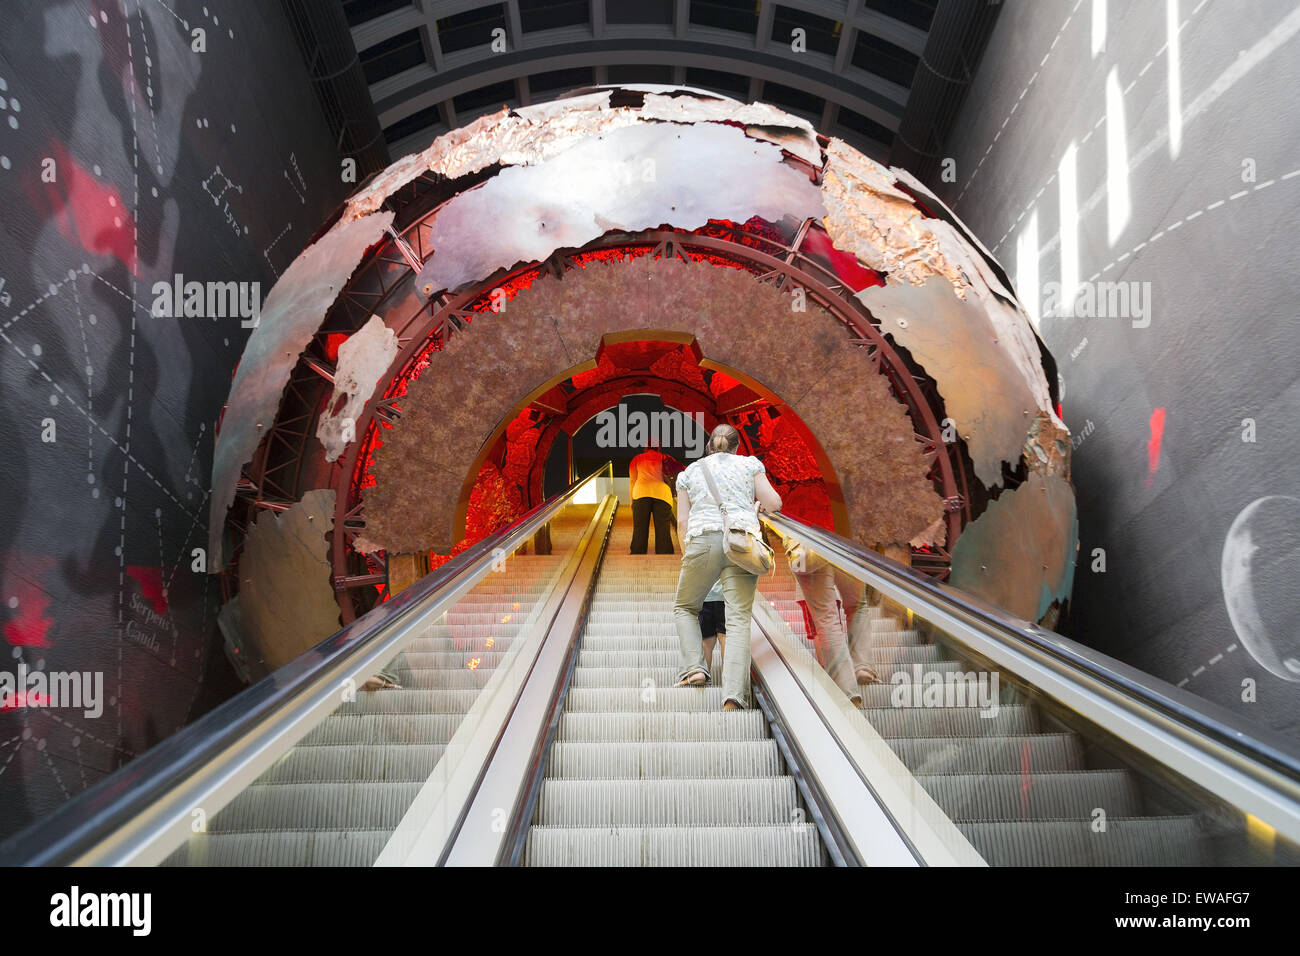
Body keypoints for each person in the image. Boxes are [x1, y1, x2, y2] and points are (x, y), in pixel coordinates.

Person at [672, 424, 782, 710]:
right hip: (741, 542)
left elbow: (682, 521)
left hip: (702, 541)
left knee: (685, 607)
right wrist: (754, 507)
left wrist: (689, 555)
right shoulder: (749, 465)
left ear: (710, 446)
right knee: (738, 620)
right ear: (736, 446)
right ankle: (734, 696)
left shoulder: (690, 473)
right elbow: (774, 503)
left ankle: (695, 668)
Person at [785, 538, 881, 708]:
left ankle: (847, 692)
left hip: (808, 545)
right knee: (857, 606)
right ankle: (862, 666)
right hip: (846, 542)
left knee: (826, 618)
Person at [628, 442, 681, 554]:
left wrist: (631, 501)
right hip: (662, 494)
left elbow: (633, 480)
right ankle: (664, 552)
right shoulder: (665, 458)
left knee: (640, 526)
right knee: (663, 527)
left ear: (646, 446)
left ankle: (638, 551)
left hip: (641, 493)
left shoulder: (637, 459)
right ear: (658, 447)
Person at [699, 577, 727, 675]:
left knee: (707, 641)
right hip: (725, 596)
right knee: (724, 637)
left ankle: (705, 677)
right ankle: (728, 680)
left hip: (705, 596)